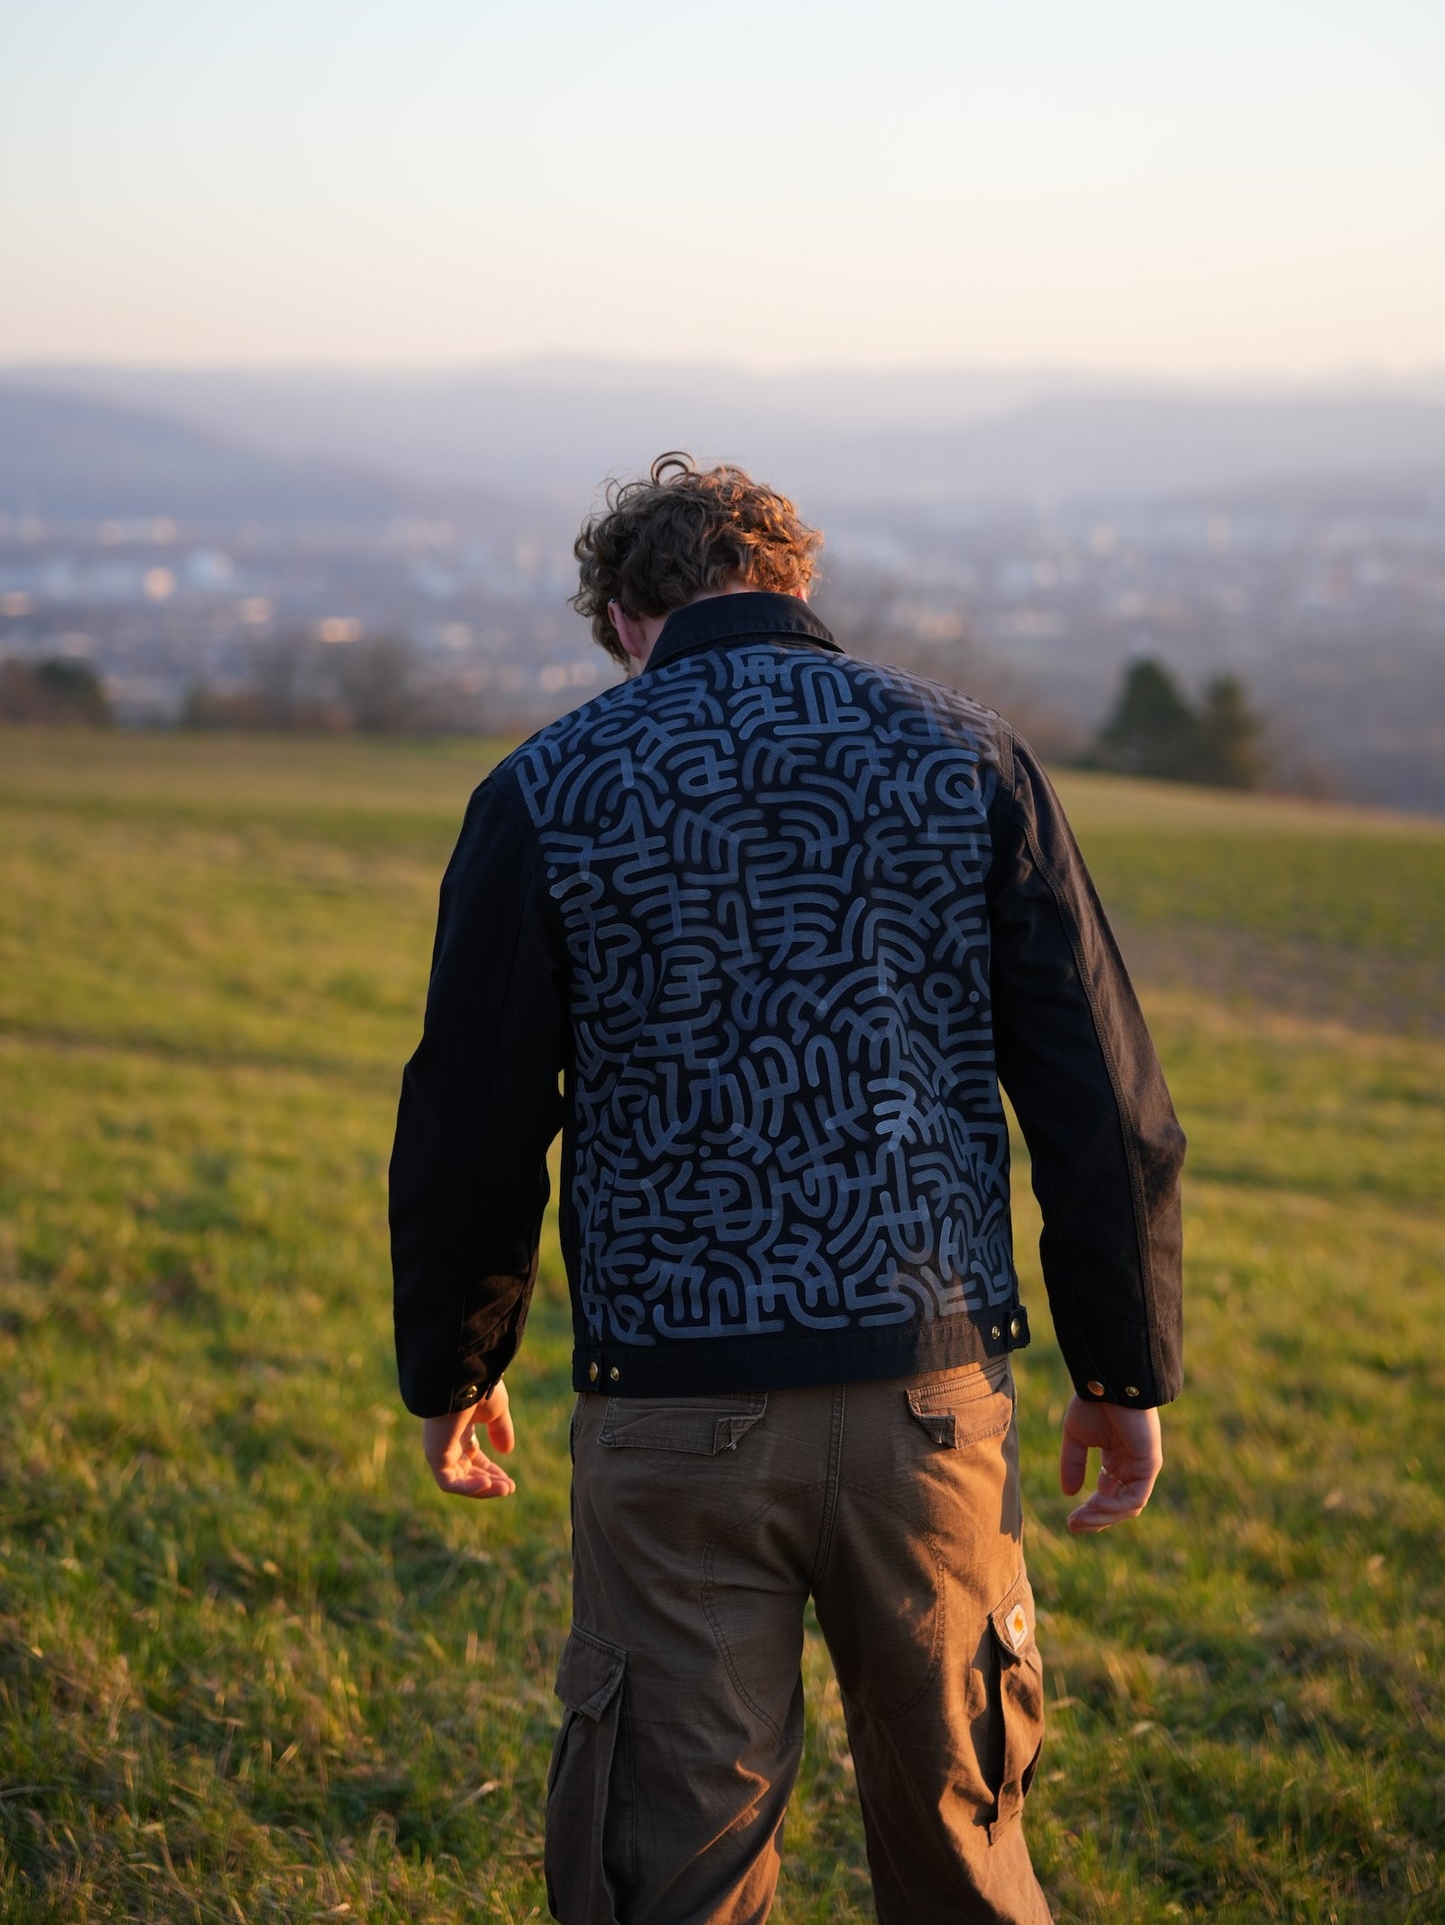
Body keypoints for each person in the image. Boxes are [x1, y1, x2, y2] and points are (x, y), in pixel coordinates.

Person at [389, 453, 1185, 1925]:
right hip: (931, 1404)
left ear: (626, 616)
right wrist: (1123, 1366)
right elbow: (1098, 1102)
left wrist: (456, 1362)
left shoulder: (544, 787)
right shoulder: (970, 757)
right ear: (794, 584)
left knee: (667, 1871)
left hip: (672, 1416)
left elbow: (471, 1120)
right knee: (964, 1853)